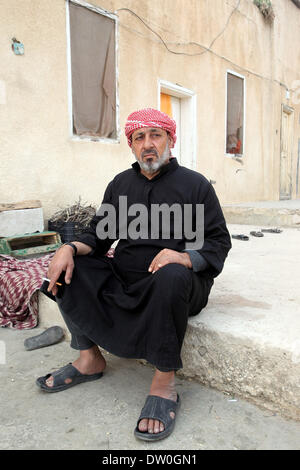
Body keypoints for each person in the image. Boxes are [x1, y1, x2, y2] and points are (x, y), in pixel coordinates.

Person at [37, 108, 231, 442]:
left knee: (171, 274)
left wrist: (183, 257)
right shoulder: (121, 185)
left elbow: (217, 243)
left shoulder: (194, 186)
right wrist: (67, 249)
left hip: (177, 284)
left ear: (170, 139)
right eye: (139, 138)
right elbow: (98, 237)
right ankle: (89, 359)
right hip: (126, 277)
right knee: (69, 267)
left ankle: (164, 383)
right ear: (131, 146)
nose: (148, 144)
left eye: (156, 135)